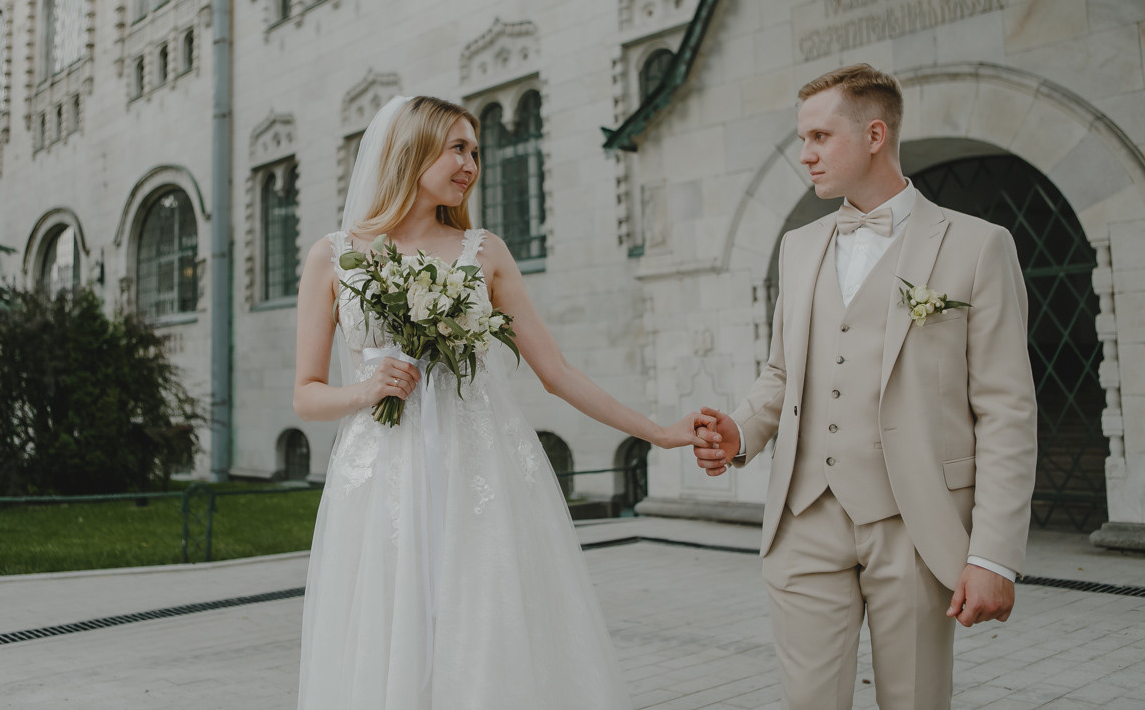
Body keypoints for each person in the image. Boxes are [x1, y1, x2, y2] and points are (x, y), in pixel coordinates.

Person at [293, 94, 713, 710]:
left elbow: (558, 372)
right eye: (457, 147)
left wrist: (660, 433)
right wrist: (367, 389)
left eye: (476, 151)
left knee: (484, 626)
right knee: (387, 632)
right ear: (412, 149)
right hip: (381, 478)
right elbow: (306, 395)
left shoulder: (483, 251)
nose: (471, 164)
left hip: (478, 470)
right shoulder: (334, 257)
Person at [693, 64, 1038, 710]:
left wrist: (994, 554)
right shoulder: (799, 247)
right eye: (803, 138)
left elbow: (1007, 411)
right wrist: (742, 430)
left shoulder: (978, 246)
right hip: (803, 519)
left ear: (875, 134)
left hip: (915, 522)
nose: (805, 154)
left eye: (821, 136)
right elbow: (783, 372)